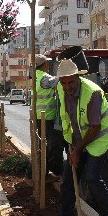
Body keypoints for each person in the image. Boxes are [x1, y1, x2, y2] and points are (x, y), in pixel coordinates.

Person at [45, 59, 108, 216]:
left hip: (97, 139)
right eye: (63, 82)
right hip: (77, 140)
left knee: (93, 179)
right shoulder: (61, 88)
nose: (67, 86)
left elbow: (95, 126)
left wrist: (78, 151)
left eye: (70, 81)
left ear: (77, 77)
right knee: (68, 180)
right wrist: (72, 147)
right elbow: (68, 118)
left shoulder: (92, 93)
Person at [26, 54, 64, 182]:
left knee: (42, 147)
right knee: (46, 147)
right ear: (45, 65)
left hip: (38, 116)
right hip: (45, 118)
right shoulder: (44, 78)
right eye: (48, 63)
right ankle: (32, 176)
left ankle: (38, 175)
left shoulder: (35, 77)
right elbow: (60, 82)